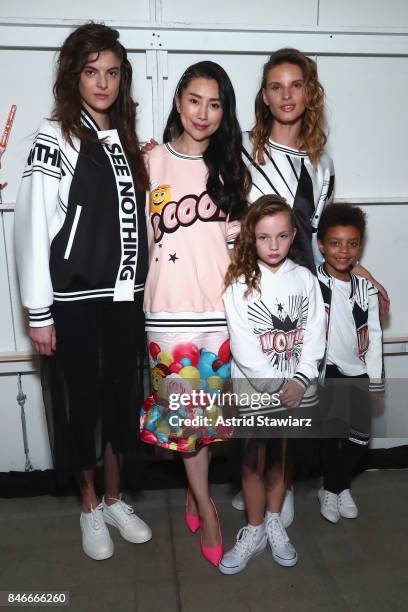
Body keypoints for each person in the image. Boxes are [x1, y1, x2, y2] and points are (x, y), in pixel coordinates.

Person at [14, 23, 151, 560]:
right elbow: (29, 228)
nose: (103, 82)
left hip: (124, 300)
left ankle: (117, 498)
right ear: (74, 77)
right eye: (92, 71)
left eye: (112, 72)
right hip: (72, 303)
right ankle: (89, 506)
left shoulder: (125, 139)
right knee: (81, 409)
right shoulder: (55, 138)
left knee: (121, 402)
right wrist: (38, 312)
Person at [232, 46, 389, 517]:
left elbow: (323, 235)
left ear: (309, 92)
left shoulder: (322, 163)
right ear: (263, 95)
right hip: (254, 291)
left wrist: (358, 271)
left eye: (296, 85)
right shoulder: (241, 150)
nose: (287, 95)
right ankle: (253, 482)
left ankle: (289, 485)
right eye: (276, 86)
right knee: (254, 392)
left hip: (304, 293)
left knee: (301, 390)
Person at [139, 61, 249, 566]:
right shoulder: (148, 161)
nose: (203, 113)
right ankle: (206, 506)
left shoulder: (232, 169)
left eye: (215, 103)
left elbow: (246, 250)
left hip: (219, 317)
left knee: (210, 422)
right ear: (179, 98)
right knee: (183, 423)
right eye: (195, 100)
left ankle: (194, 489)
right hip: (165, 316)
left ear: (224, 111)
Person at [219, 195, 325, 574]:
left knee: (281, 459)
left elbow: (315, 333)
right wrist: (277, 385)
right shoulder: (239, 283)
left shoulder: (305, 279)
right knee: (250, 463)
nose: (274, 245)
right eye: (264, 238)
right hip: (254, 390)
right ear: (251, 237)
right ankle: (254, 528)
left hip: (294, 391)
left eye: (281, 236)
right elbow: (243, 343)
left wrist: (299, 379)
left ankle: (275, 521)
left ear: (294, 235)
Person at [316, 203, 384, 523]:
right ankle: (334, 492)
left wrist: (375, 379)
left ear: (359, 246)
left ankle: (335, 485)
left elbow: (374, 334)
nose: (344, 251)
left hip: (356, 368)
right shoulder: (309, 284)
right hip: (325, 370)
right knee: (332, 433)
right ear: (321, 245)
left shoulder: (365, 288)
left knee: (359, 435)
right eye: (335, 243)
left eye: (352, 243)